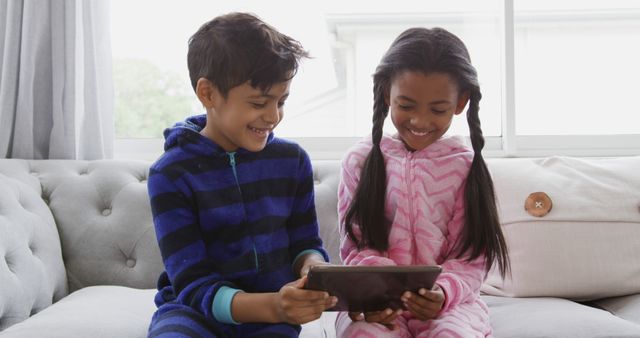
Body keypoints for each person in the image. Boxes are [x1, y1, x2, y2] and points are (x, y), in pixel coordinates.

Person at [146, 12, 336, 338]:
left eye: (281, 101)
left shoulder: (292, 162)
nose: (273, 116)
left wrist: (312, 269)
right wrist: (274, 305)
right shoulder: (170, 174)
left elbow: (306, 244)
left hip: (271, 316)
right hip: (194, 311)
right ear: (207, 93)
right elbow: (192, 282)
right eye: (259, 102)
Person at [336, 27, 510, 338]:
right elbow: (355, 248)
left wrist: (442, 293)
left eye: (438, 109)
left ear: (461, 103)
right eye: (406, 106)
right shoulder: (359, 162)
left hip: (451, 304)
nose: (419, 121)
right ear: (386, 93)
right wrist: (379, 292)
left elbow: (471, 260)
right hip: (375, 303)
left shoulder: (466, 168)